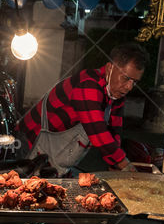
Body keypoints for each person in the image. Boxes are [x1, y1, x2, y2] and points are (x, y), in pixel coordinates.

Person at [17, 42, 149, 175]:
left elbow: (114, 131)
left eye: (134, 82)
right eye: (126, 78)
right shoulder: (87, 85)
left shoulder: (116, 95)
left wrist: (115, 164)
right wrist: (125, 165)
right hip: (27, 146)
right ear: (110, 68)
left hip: (54, 161)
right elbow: (97, 131)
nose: (129, 87)